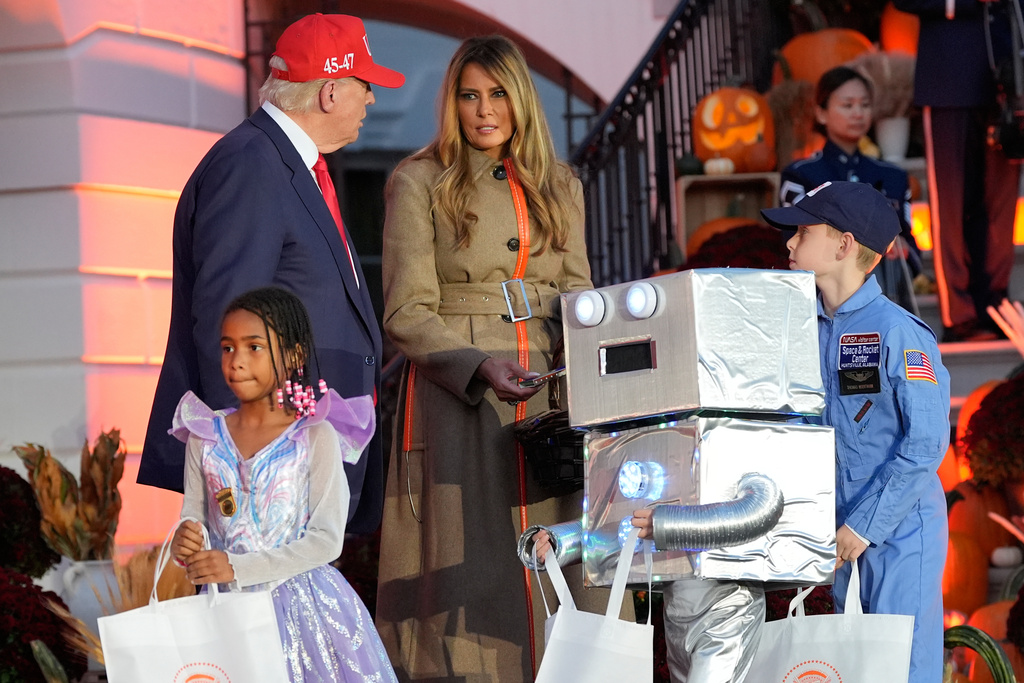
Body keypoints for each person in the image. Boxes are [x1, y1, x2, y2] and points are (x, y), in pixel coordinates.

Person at [373, 35, 605, 682]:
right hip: (462, 399)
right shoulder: (418, 180)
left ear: (520, 98)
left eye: (498, 94)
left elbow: (580, 293)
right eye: (469, 95)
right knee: (472, 562)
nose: (483, 110)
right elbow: (406, 311)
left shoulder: (560, 184)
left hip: (551, 393)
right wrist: (477, 365)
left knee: (561, 553)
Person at [140, 14, 404, 535]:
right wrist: (245, 468)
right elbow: (227, 323)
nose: (372, 100)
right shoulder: (251, 165)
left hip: (300, 462)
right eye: (365, 84)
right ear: (330, 91)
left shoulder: (286, 164)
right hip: (269, 477)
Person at [761, 180, 950, 683]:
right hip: (840, 531)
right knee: (856, 668)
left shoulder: (899, 332)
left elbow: (927, 442)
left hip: (900, 529)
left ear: (844, 245)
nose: (790, 242)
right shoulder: (804, 329)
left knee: (902, 667)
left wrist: (864, 526)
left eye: (804, 231)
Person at [169, 286, 396, 682]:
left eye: (254, 347)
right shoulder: (204, 436)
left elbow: (326, 539)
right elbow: (194, 518)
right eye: (227, 348)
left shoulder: (314, 435)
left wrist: (237, 567)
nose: (237, 361)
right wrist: (185, 542)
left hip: (302, 612)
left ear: (294, 356)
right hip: (225, 615)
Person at [894, 0, 1020, 342]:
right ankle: (959, 316)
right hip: (948, 76)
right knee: (949, 204)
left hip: (1011, 80)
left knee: (1001, 206)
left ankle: (996, 307)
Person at [780, 66, 922, 312]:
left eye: (864, 105)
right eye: (847, 105)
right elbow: (793, 245)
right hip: (819, 301)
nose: (858, 113)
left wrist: (902, 248)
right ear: (821, 113)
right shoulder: (801, 174)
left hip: (885, 295)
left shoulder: (894, 177)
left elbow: (910, 248)